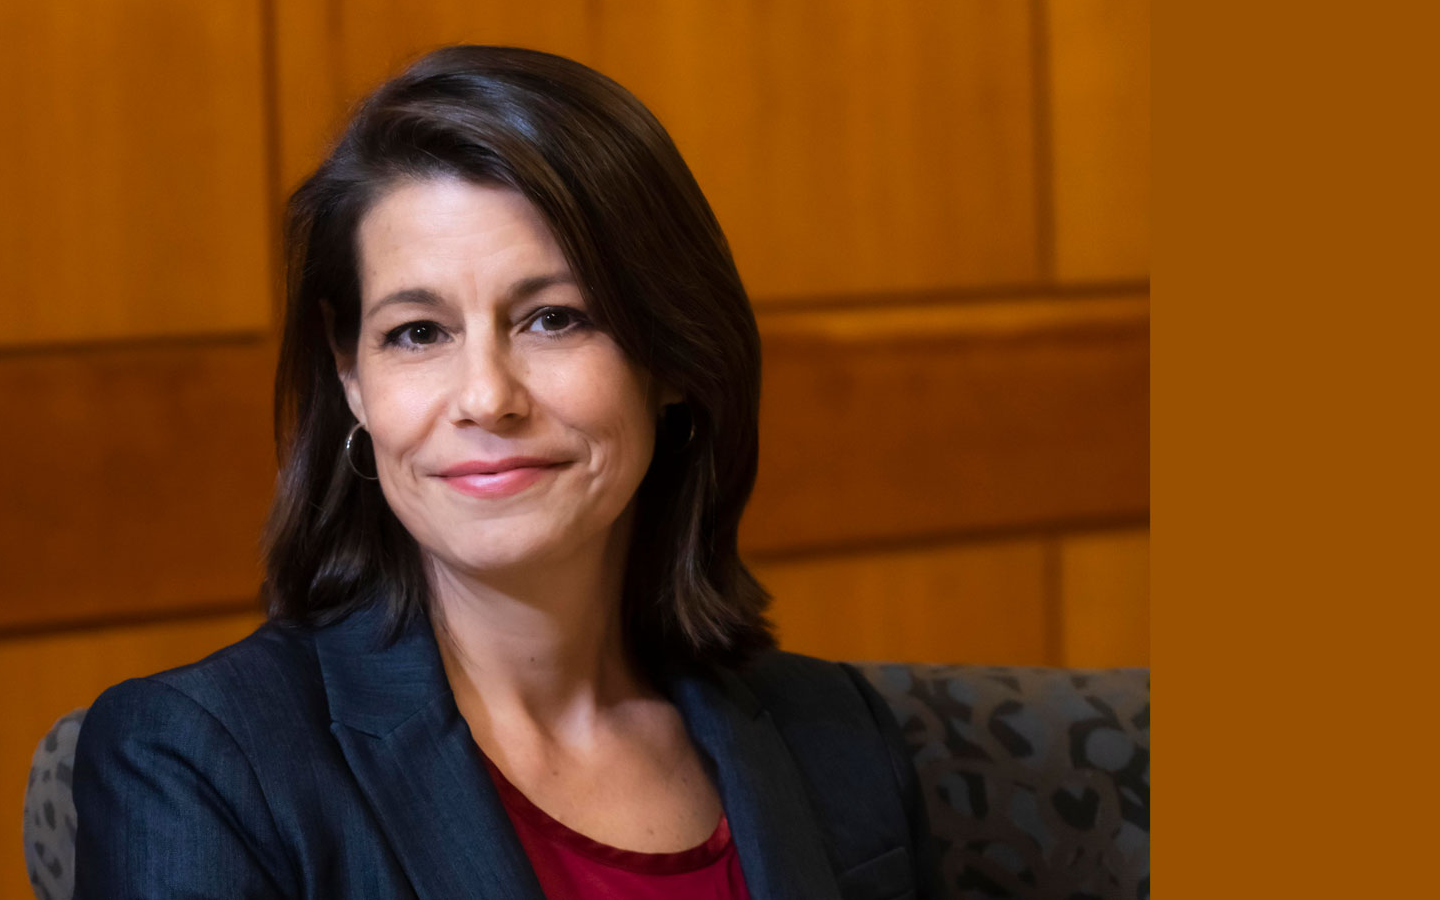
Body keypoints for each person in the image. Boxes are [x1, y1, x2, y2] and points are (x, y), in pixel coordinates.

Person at [73, 44, 940, 900]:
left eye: (554, 319)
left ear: (673, 358)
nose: (486, 397)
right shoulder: (200, 760)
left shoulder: (837, 737)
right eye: (418, 332)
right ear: (351, 376)